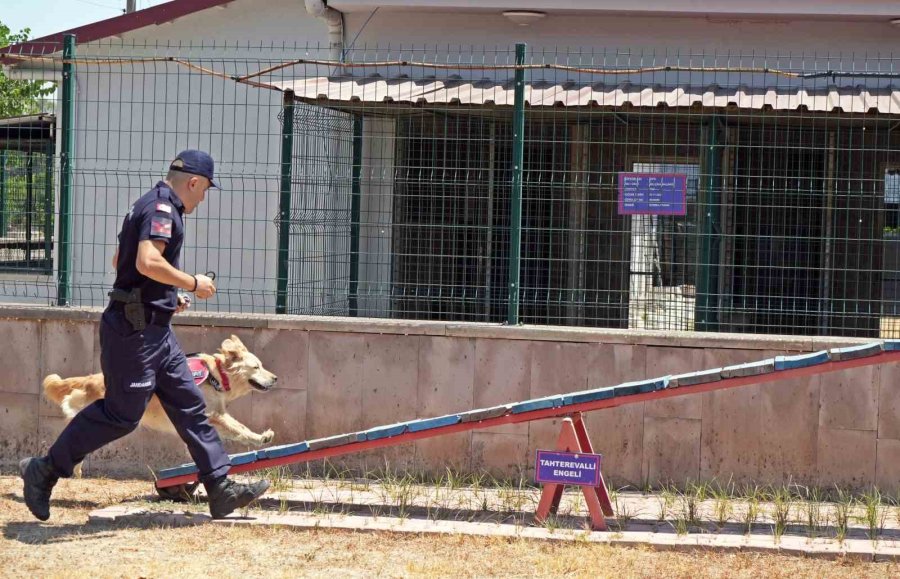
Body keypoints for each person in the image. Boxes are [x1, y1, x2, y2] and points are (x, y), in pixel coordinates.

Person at [19, 150, 269, 521]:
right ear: (194, 182)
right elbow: (146, 262)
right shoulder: (163, 209)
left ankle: (220, 488)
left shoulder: (146, 204)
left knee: (190, 404)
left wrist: (167, 296)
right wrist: (193, 283)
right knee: (122, 414)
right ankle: (44, 470)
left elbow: (120, 261)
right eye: (205, 190)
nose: (203, 198)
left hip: (154, 327)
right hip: (132, 332)